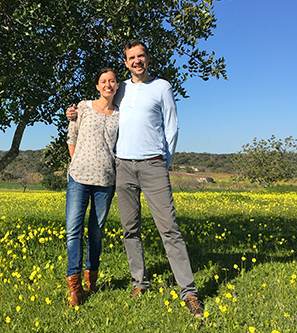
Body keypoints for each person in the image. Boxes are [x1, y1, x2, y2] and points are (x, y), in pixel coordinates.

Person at [67, 40, 204, 317]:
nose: (137, 61)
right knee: (130, 229)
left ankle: (189, 292)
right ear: (126, 62)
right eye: (132, 57)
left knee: (169, 229)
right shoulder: (122, 89)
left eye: (141, 56)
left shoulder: (162, 87)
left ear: (147, 58)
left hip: (153, 164)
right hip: (123, 167)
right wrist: (73, 113)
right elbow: (98, 106)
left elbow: (172, 126)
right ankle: (139, 282)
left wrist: (164, 161)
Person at [64, 67, 120, 306]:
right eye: (103, 81)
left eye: (112, 81)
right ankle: (75, 288)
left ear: (118, 86)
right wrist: (75, 162)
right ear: (97, 86)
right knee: (73, 231)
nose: (107, 84)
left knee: (96, 234)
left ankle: (92, 280)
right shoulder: (83, 107)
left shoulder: (121, 114)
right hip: (78, 178)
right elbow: (72, 137)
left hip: (106, 181)